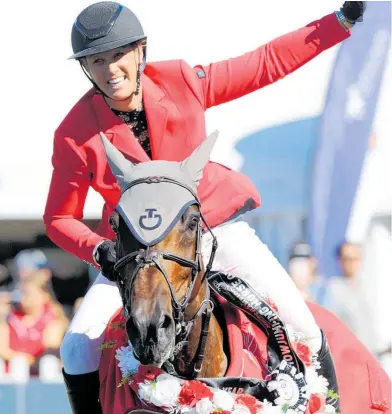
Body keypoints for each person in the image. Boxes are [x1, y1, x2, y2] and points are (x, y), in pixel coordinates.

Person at [42, 2, 366, 412]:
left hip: (213, 230)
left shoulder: (180, 81)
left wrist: (336, 24)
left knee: (304, 327)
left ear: (141, 50)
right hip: (137, 253)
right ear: (86, 66)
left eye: (118, 55)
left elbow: (263, 63)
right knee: (75, 349)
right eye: (97, 60)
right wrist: (96, 249)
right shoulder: (73, 133)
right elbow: (58, 218)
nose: (110, 70)